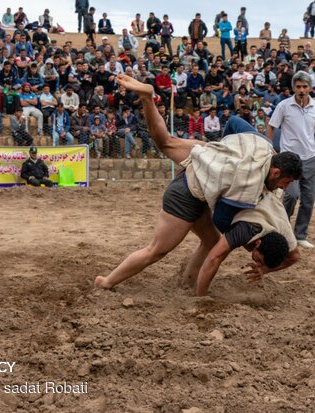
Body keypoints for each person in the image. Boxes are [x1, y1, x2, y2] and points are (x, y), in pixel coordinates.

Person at [94, 74, 302, 295]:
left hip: (211, 159)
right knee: (156, 250)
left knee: (166, 143)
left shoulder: (266, 146)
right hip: (188, 191)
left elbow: (233, 122)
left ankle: (188, 283)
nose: (283, 188)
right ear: (277, 171)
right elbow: (222, 219)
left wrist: (222, 151)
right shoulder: (248, 187)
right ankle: (106, 281)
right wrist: (243, 238)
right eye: (284, 182)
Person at [267, 71, 315, 249]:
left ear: (310, 88)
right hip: (289, 159)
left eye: (305, 86)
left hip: (310, 157)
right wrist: (270, 148)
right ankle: (283, 229)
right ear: (293, 88)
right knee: (291, 195)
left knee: (309, 199)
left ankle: (300, 235)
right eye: (298, 87)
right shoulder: (284, 106)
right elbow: (271, 126)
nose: (302, 90)